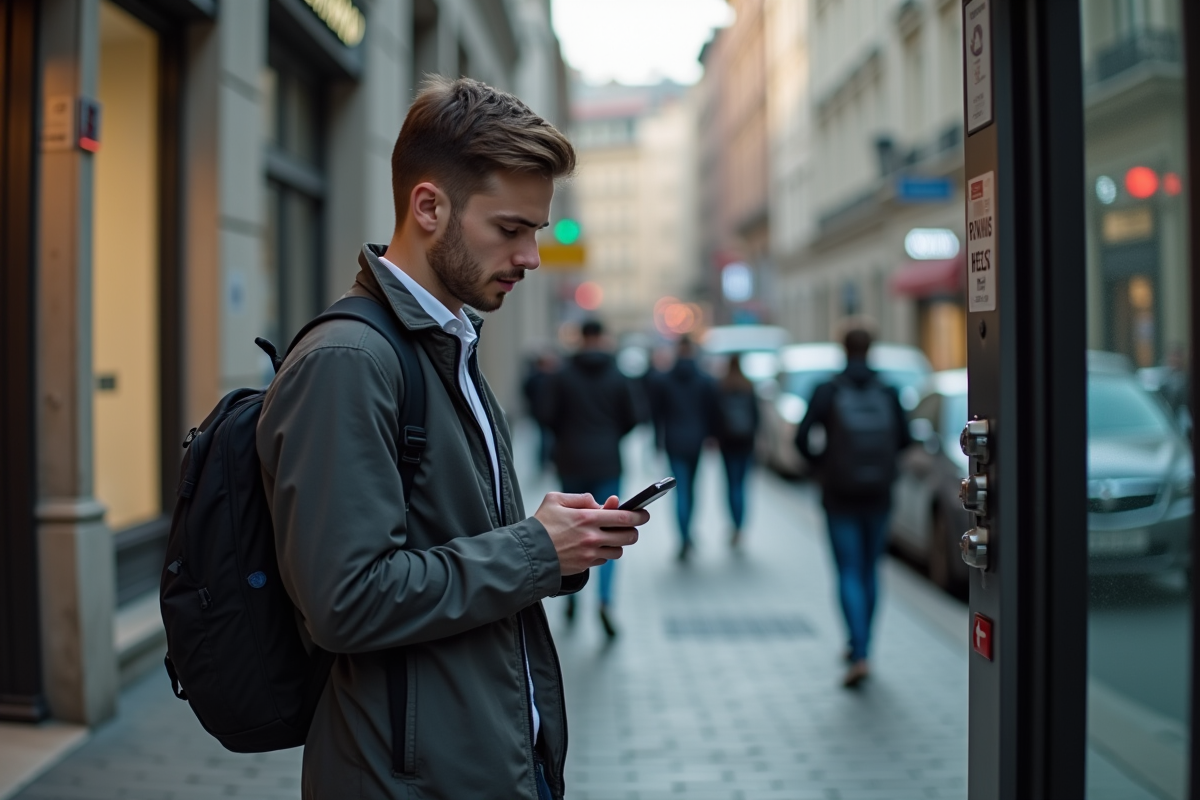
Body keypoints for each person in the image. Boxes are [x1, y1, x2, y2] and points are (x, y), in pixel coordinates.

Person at [257, 77, 649, 800]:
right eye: (511, 228)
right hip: (405, 778)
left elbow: (444, 548)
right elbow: (346, 600)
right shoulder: (349, 363)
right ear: (428, 206)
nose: (532, 256)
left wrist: (556, 546)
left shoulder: (447, 345)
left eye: (537, 230)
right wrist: (534, 548)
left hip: (472, 759)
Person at [794, 327, 911, 688]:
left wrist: (821, 467)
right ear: (871, 349)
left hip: (839, 494)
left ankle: (857, 650)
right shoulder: (889, 391)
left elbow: (801, 438)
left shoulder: (827, 389)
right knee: (870, 569)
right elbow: (905, 440)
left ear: (843, 349)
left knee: (847, 569)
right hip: (878, 494)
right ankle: (865, 648)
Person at [538, 319, 641, 637]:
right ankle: (605, 602)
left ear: (581, 338)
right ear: (603, 337)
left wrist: (567, 437)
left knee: (573, 530)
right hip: (608, 461)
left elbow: (546, 416)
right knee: (608, 532)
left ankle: (571, 595)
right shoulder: (617, 375)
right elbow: (633, 418)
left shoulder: (563, 376)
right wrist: (609, 437)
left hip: (571, 461)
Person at [649, 335, 718, 561]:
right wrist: (710, 436)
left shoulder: (664, 379)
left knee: (680, 491)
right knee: (692, 490)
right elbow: (711, 411)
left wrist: (657, 441)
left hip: (674, 441)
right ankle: (688, 533)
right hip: (696, 440)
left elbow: (657, 414)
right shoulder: (704, 379)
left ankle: (684, 536)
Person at [714, 354, 760, 548]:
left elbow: (715, 415)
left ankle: (734, 524)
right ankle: (740, 526)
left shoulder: (721, 386)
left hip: (728, 443)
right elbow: (756, 415)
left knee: (731, 484)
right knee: (742, 485)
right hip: (746, 442)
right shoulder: (748, 385)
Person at [523, 349, 559, 473]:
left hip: (544, 413)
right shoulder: (540, 378)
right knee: (545, 438)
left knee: (547, 438)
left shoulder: (550, 377)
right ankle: (545, 461)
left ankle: (547, 461)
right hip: (541, 414)